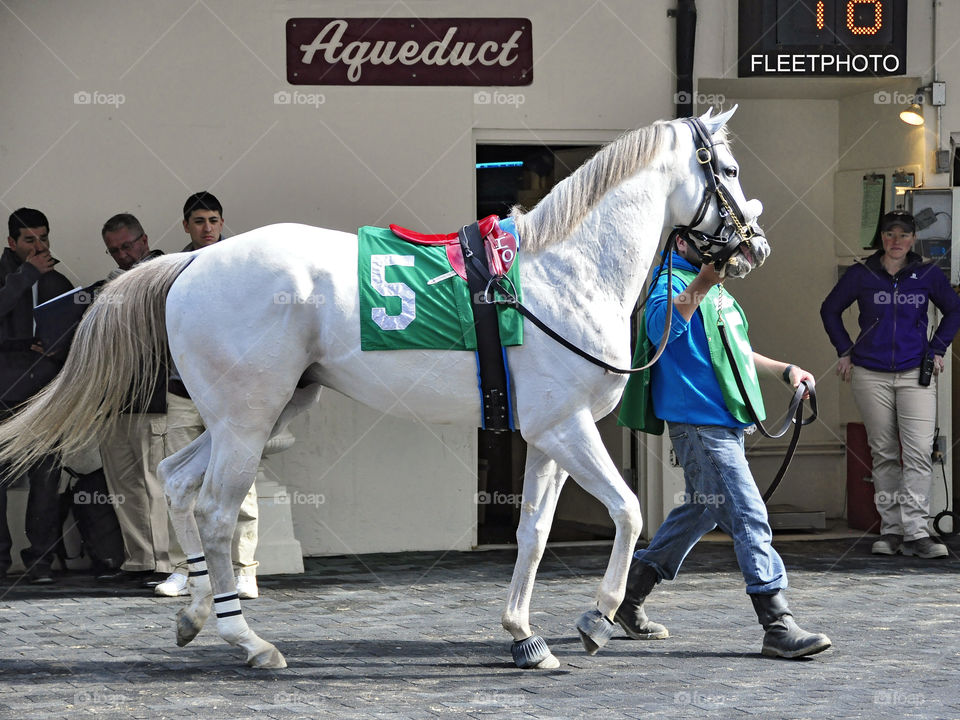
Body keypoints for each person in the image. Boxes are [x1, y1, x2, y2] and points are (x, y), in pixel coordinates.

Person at [617, 234, 832, 659]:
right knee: (748, 513)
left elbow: (738, 351)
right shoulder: (668, 285)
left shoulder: (715, 293)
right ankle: (777, 624)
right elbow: (660, 330)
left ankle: (628, 597)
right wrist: (701, 283)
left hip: (724, 424)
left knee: (698, 512)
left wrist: (786, 370)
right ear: (682, 244)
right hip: (699, 426)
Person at [821, 210, 960, 559]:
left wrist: (939, 348)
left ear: (913, 239)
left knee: (917, 454)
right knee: (883, 454)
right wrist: (844, 351)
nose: (896, 241)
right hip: (870, 373)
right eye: (889, 234)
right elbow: (830, 309)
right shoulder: (862, 273)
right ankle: (892, 531)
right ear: (881, 238)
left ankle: (916, 532)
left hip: (916, 372)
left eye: (903, 235)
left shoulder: (927, 274)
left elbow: (954, 309)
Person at [154, 191, 260, 599]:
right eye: (199, 221)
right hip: (183, 390)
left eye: (214, 220)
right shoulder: (171, 270)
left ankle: (244, 569)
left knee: (241, 479)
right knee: (181, 481)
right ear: (185, 225)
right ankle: (186, 569)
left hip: (231, 393)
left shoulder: (241, 267)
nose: (207, 228)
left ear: (222, 222)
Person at [0, 208, 74, 583]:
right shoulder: (10, 277)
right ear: (12, 242)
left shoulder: (57, 281)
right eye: (29, 240)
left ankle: (39, 561)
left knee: (46, 477)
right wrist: (26, 274)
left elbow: (71, 335)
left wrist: (54, 350)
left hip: (45, 393)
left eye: (43, 238)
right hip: (3, 391)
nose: (39, 246)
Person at [96, 213, 170, 587]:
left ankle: (164, 562)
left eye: (127, 246)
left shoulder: (165, 273)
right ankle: (140, 559)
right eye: (115, 251)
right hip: (115, 398)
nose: (123, 255)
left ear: (144, 240)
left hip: (155, 394)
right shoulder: (108, 285)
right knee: (123, 485)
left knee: (155, 482)